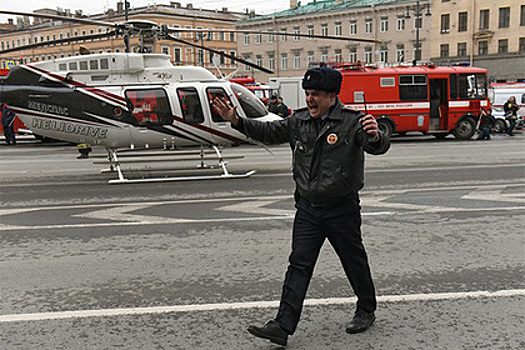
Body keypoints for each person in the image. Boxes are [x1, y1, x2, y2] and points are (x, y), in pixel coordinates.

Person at [212, 67, 390, 347]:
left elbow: (375, 146)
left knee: (353, 261)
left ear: (332, 96)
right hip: (308, 208)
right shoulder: (299, 121)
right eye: (308, 93)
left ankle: (366, 308)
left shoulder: (352, 122)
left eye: (316, 94)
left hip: (342, 207)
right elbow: (269, 131)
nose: (310, 99)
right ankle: (282, 326)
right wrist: (236, 120)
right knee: (299, 265)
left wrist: (377, 135)